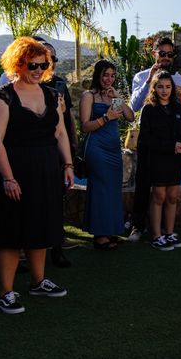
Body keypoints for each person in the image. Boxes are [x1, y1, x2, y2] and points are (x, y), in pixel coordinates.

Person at [0, 36, 73, 314]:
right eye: (32, 64)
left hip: (46, 170)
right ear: (18, 64)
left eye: (43, 64)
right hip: (13, 171)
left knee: (40, 227)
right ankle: (6, 292)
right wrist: (8, 178)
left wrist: (68, 165)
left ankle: (38, 281)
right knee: (11, 232)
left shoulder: (52, 95)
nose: (38, 70)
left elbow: (60, 133)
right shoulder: (2, 97)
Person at [127, 37, 181, 242]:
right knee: (143, 184)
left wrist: (180, 100)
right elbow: (134, 106)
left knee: (168, 192)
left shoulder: (180, 81)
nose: (165, 57)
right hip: (150, 139)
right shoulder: (140, 76)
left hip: (171, 141)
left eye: (169, 54)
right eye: (161, 53)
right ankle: (138, 226)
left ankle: (166, 230)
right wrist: (150, 81)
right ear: (154, 53)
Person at [79, 60, 135, 249]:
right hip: (96, 148)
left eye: (112, 75)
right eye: (105, 75)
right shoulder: (89, 96)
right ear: (98, 75)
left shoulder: (113, 96)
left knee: (112, 190)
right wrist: (105, 118)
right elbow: (85, 126)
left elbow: (130, 117)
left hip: (113, 149)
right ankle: (100, 235)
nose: (109, 79)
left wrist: (118, 96)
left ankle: (111, 231)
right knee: (101, 189)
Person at [138, 71, 181, 251]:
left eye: (168, 87)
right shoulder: (149, 109)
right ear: (154, 88)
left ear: (173, 88)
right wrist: (171, 146)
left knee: (173, 196)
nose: (164, 90)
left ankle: (169, 233)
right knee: (159, 196)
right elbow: (146, 139)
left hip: (175, 159)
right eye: (160, 86)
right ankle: (156, 236)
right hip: (157, 158)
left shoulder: (179, 109)